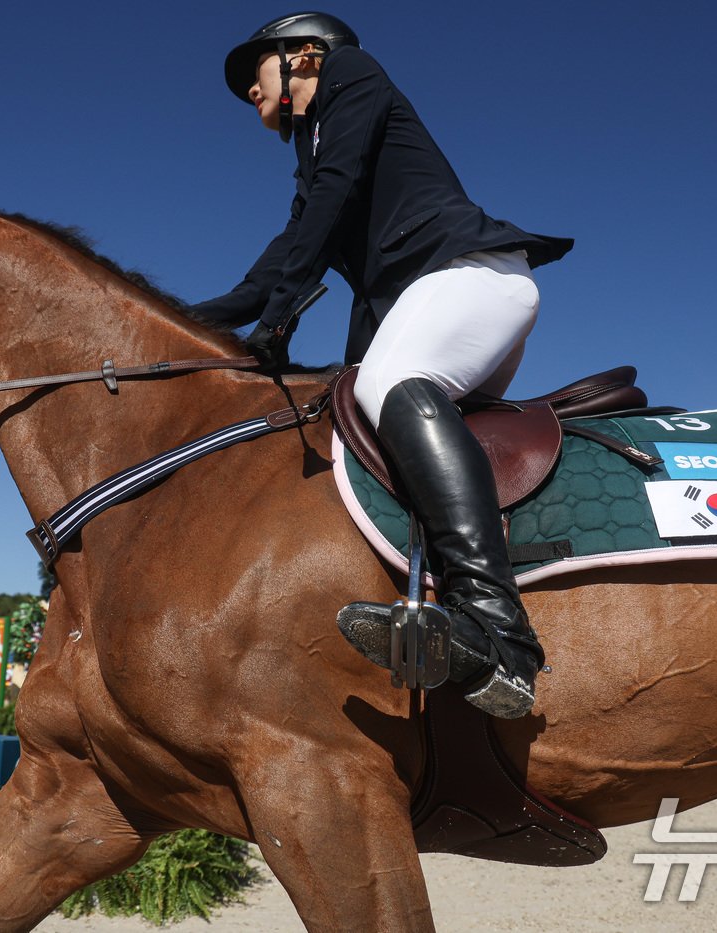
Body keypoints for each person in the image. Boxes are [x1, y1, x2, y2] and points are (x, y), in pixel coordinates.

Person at [191, 13, 573, 719]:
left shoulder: (351, 75)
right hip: (440, 303)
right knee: (352, 428)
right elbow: (268, 273)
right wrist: (178, 328)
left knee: (386, 382)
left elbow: (330, 198)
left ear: (306, 55)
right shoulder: (314, 163)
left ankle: (501, 635)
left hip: (472, 279)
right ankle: (428, 607)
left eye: (259, 69)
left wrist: (278, 319)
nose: (250, 88)